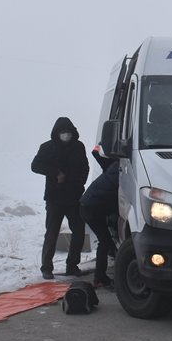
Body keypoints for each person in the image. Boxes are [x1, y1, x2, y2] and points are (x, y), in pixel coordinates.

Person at [31, 117, 90, 279]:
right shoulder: (47, 148)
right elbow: (35, 166)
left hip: (74, 197)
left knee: (78, 231)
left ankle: (72, 265)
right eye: (63, 132)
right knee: (52, 232)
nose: (66, 135)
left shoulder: (79, 147)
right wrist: (55, 173)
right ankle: (46, 268)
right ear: (56, 134)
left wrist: (80, 183)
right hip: (54, 198)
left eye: (68, 132)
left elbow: (85, 166)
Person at [80, 154, 120, 288]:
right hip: (91, 210)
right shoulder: (119, 174)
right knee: (105, 242)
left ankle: (101, 276)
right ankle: (100, 277)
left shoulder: (115, 169)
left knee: (106, 242)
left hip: (89, 207)